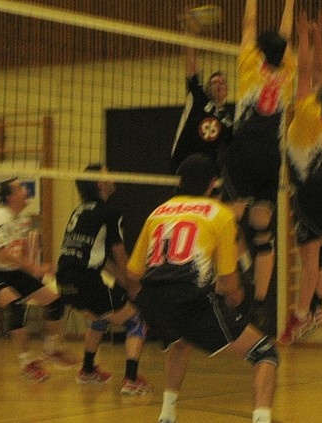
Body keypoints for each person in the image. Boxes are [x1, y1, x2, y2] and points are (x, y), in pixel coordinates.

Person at [127, 154, 279, 423]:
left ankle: (167, 416)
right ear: (212, 185)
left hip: (151, 301)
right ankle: (262, 420)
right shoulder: (219, 214)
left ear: (180, 182)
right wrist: (238, 297)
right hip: (188, 298)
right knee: (265, 353)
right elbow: (229, 283)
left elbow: (133, 273)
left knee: (180, 341)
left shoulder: (157, 213)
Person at [221, 0, 296, 329]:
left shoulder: (250, 64)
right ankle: (261, 303)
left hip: (243, 150)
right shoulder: (288, 71)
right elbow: (285, 35)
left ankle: (238, 271)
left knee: (229, 220)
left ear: (260, 51)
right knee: (263, 231)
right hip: (270, 156)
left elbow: (248, 24)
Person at [56, 164, 153, 396]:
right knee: (137, 320)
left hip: (64, 280)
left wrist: (122, 280)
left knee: (102, 314)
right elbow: (119, 254)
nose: (113, 176)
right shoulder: (109, 212)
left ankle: (88, 370)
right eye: (109, 173)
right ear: (100, 183)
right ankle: (131, 379)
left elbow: (99, 258)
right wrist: (132, 285)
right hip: (85, 280)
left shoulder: (81, 210)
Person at [0, 177, 77, 382]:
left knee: (56, 302)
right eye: (20, 189)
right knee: (16, 306)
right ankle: (26, 364)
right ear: (10, 197)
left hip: (15, 272)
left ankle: (51, 350)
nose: (25, 191)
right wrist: (35, 268)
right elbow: (3, 255)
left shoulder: (23, 219)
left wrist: (37, 271)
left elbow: (18, 253)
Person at [278, 12, 322, 345]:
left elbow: (304, 72)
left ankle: (299, 317)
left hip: (309, 191)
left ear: (316, 100)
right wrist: (318, 37)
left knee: (309, 257)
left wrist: (302, 36)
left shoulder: (305, 114)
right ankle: (317, 307)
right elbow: (319, 74)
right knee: (319, 253)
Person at [170, 10, 234, 174]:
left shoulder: (229, 120)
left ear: (227, 90)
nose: (218, 85)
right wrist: (190, 32)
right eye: (214, 82)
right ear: (208, 88)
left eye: (222, 83)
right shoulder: (200, 98)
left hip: (208, 173)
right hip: (183, 165)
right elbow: (192, 65)